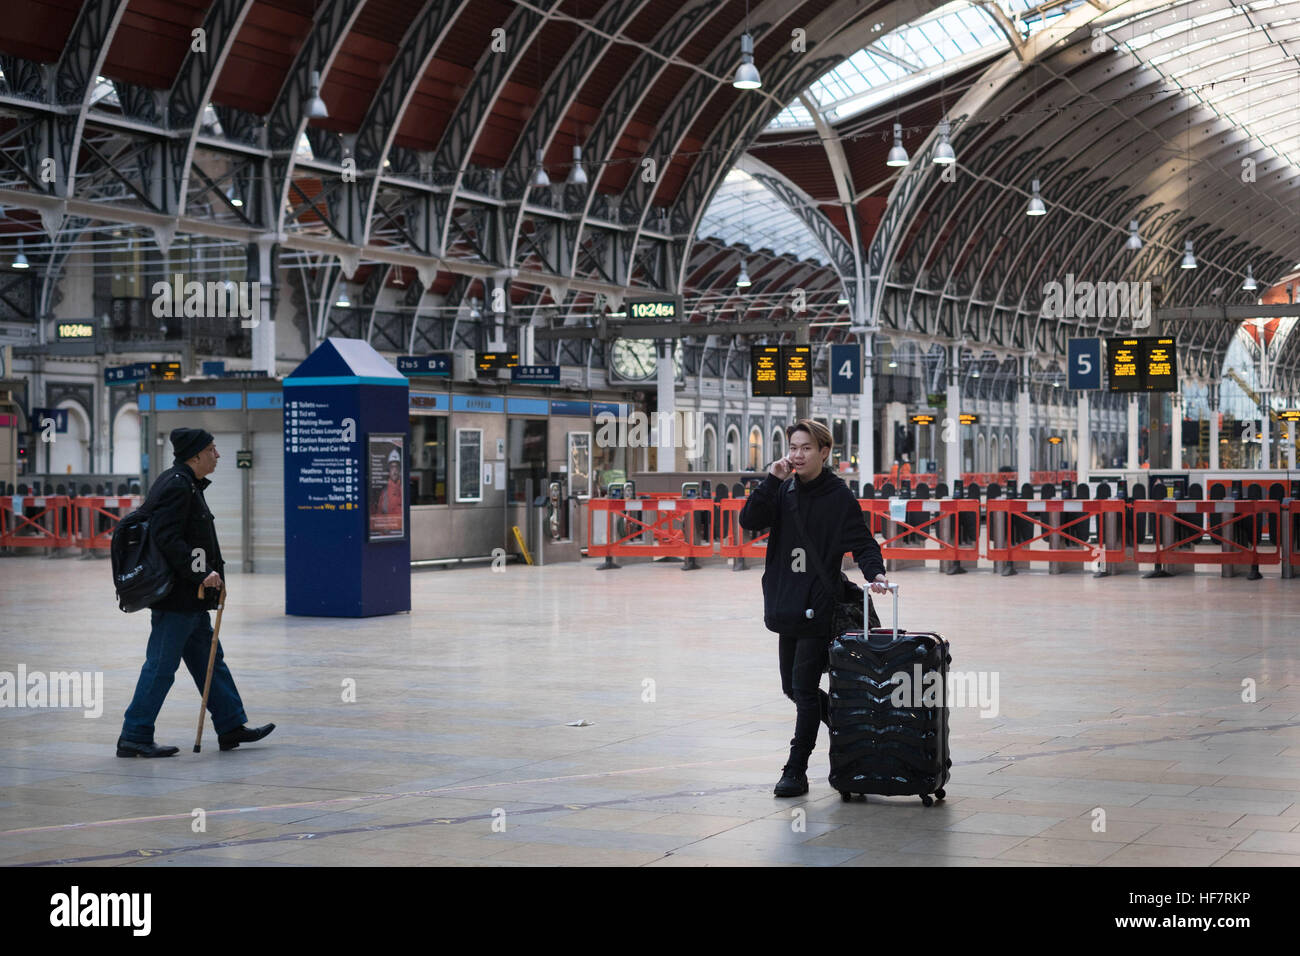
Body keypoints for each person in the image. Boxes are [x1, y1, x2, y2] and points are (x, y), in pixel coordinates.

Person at [739, 419, 890, 797]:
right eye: (793, 446)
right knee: (792, 687)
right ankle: (854, 726)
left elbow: (863, 542)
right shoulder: (783, 489)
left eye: (806, 447)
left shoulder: (838, 497)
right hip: (785, 603)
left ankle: (796, 770)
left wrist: (876, 575)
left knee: (804, 690)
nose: (797, 454)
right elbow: (749, 522)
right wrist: (770, 481)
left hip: (818, 605)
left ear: (824, 452)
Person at [117, 428, 275, 757]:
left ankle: (231, 726)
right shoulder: (177, 484)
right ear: (196, 455)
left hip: (191, 600)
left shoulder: (186, 483)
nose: (217, 455)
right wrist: (202, 571)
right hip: (177, 599)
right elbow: (167, 538)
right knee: (160, 667)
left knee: (209, 664)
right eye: (213, 449)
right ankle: (135, 734)